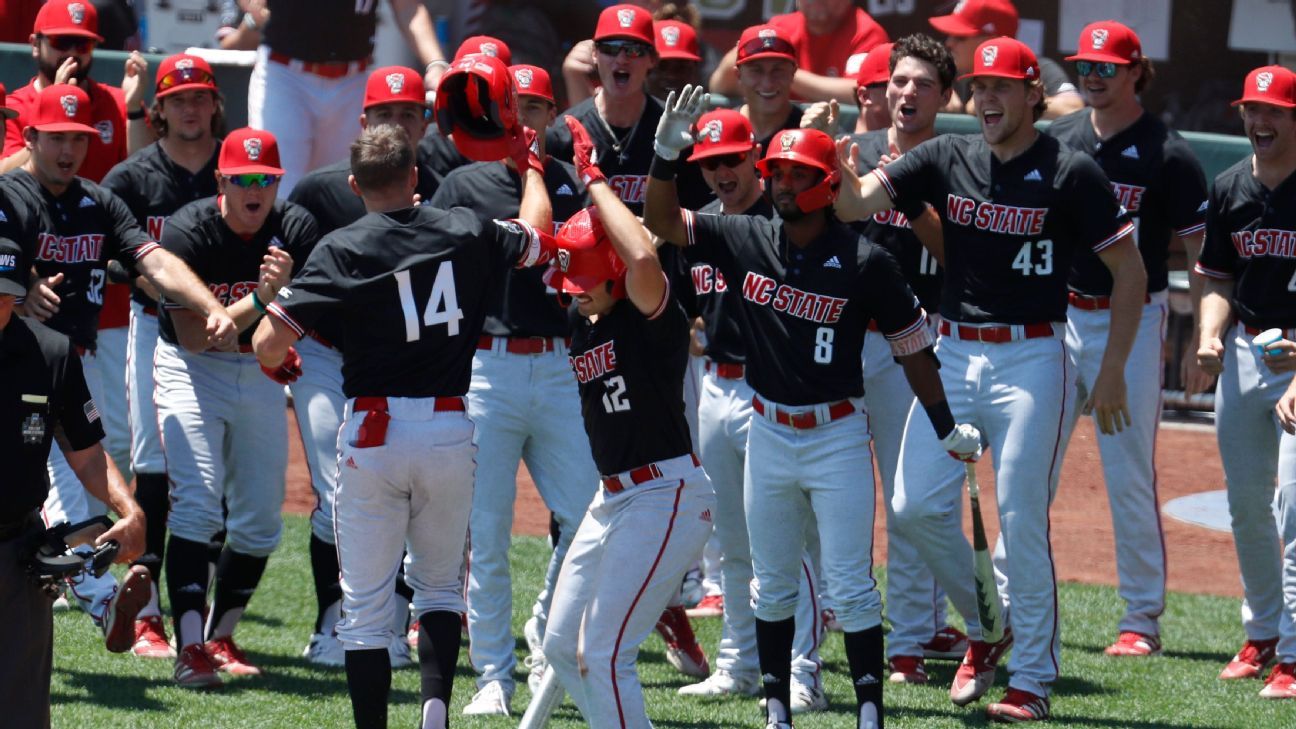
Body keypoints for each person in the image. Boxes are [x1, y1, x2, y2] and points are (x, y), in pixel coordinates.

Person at [647, 86, 982, 729]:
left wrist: (944, 427)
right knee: (769, 583)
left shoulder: (869, 262)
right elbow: (664, 222)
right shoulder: (746, 238)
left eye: (798, 174)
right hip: (769, 430)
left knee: (851, 586)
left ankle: (868, 712)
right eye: (776, 171)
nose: (781, 184)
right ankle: (777, 711)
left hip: (837, 436)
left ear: (829, 185)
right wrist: (666, 155)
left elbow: (915, 354)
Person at [832, 37, 1145, 722]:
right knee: (913, 506)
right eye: (980, 87)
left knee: (1020, 517)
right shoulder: (947, 154)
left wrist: (1115, 364)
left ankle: (1031, 676)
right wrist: (833, 161)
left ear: (1035, 94)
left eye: (1005, 86)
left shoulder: (1070, 169)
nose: (989, 99)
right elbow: (854, 206)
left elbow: (1131, 271)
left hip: (1032, 355)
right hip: (953, 350)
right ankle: (987, 622)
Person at [251, 119, 558, 729]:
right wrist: (533, 169)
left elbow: (265, 343)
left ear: (354, 185)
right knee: (441, 589)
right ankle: (436, 714)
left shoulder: (342, 247)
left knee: (365, 610)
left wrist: (275, 321)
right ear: (416, 177)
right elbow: (537, 234)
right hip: (449, 428)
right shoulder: (467, 226)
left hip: (374, 433)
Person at [1, 81, 237, 648]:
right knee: (61, 487)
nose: (68, 152)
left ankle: (76, 585)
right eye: (56, 138)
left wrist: (212, 307)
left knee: (99, 463)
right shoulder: (10, 195)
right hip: (16, 368)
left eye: (78, 140)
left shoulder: (97, 201)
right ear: (30, 137)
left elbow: (154, 261)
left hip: (70, 362)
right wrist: (24, 286)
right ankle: (103, 600)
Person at [429, 64, 596, 716]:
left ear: (552, 110)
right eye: (515, 103)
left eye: (537, 105)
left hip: (559, 361)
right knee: (486, 531)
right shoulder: (459, 181)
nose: (525, 116)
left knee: (591, 519)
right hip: (487, 364)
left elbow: (574, 250)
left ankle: (557, 642)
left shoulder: (569, 177)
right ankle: (493, 673)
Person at [541, 116, 716, 729]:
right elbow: (579, 248)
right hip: (611, 498)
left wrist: (592, 177)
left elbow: (641, 251)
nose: (575, 290)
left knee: (604, 653)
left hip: (664, 493)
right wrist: (534, 166)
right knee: (561, 647)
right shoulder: (581, 315)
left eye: (587, 279)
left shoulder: (653, 317)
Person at [1047, 20, 1208, 658]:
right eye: (1084, 66)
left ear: (1137, 70)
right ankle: (1008, 605)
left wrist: (1203, 338)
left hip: (1134, 320)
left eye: (1106, 67)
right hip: (1057, 318)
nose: (1092, 76)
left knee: (1127, 471)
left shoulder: (1168, 152)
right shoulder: (1058, 138)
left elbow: (1200, 254)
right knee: (1032, 469)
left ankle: (1141, 617)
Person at [285, 66, 443, 670]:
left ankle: (394, 621)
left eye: (409, 114)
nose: (398, 124)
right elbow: (285, 263)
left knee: (409, 492)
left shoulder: (442, 187)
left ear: (425, 124)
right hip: (328, 355)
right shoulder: (321, 191)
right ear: (364, 123)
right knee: (336, 492)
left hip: (410, 360)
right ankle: (334, 621)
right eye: (387, 114)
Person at [672, 108, 828, 712]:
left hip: (776, 392)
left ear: (755, 158)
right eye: (708, 164)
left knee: (788, 544)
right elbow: (684, 299)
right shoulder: (703, 227)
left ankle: (800, 670)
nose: (720, 173)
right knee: (731, 544)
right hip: (715, 386)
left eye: (731, 160)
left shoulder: (786, 220)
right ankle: (739, 663)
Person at [154, 127, 318, 688]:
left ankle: (223, 634)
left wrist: (276, 332)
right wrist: (263, 298)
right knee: (197, 502)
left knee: (259, 521)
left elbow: (301, 317)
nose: (255, 190)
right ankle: (190, 646)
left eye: (265, 180)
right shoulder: (188, 229)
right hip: (192, 367)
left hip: (259, 368)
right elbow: (198, 337)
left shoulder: (294, 228)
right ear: (221, 180)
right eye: (243, 179)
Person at [848, 33, 971, 686]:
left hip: (919, 340)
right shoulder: (859, 154)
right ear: (880, 88)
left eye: (924, 84)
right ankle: (830, 625)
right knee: (827, 491)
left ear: (946, 97)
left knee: (909, 501)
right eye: (898, 81)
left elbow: (962, 259)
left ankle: (911, 641)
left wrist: (911, 201)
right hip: (840, 342)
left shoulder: (960, 162)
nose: (907, 93)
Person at [100, 51, 226, 660]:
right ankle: (146, 611)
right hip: (154, 329)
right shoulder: (135, 176)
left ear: (214, 103)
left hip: (225, 336)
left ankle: (203, 619)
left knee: (212, 477)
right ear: (161, 109)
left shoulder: (233, 166)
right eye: (179, 99)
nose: (191, 108)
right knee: (153, 465)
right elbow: (108, 245)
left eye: (200, 96)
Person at [0, 236, 148, 729]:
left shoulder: (51, 354)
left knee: (21, 712)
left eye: (6, 295)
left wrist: (129, 510)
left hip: (15, 557)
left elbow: (85, 454)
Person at [1194, 64, 1296, 698]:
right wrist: (1209, 334)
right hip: (1244, 351)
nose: (1258, 122)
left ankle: (1293, 649)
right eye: (1250, 111)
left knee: (1295, 505)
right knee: (1246, 505)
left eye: (1274, 113)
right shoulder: (1231, 186)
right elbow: (1217, 278)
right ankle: (1262, 631)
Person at [245, 0, 449, 194]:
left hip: (352, 79)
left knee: (345, 188)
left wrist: (435, 64)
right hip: (286, 75)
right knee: (282, 186)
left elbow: (407, 7)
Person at [2, 0, 151, 178]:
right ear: (35, 45)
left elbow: (145, 176)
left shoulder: (118, 103)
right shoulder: (14, 108)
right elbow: (4, 178)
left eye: (83, 44)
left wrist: (134, 108)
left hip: (103, 205)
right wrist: (52, 108)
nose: (72, 53)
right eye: (61, 42)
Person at [928, 0, 1083, 120]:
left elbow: (1073, 110)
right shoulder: (951, 71)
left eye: (960, 37)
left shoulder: (1033, 68)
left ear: (992, 41)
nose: (949, 43)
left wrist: (1000, 101)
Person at [709, 0, 888, 103]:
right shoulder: (780, 27)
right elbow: (718, 85)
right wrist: (745, 54)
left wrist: (781, 72)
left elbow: (863, 93)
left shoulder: (866, 32)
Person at [647, 19, 703, 100]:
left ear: (695, 71)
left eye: (681, 67)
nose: (671, 76)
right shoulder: (623, 111)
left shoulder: (708, 112)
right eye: (661, 66)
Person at [852, 42, 893, 134]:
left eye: (922, 85)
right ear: (865, 96)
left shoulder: (927, 146)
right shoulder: (840, 146)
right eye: (898, 83)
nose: (908, 91)